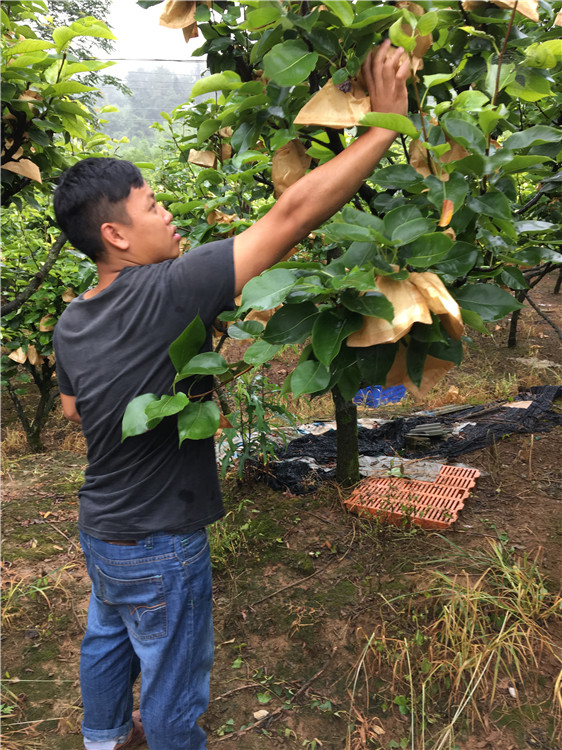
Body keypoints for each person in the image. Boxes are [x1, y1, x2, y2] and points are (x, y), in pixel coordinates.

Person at [52, 41, 409, 750]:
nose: (169, 215)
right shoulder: (171, 288)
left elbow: (74, 410)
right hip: (161, 536)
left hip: (103, 527)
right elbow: (291, 216)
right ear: (116, 233)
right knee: (175, 682)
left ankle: (99, 740)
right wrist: (386, 125)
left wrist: (179, 368)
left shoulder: (71, 317)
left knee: (106, 639)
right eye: (153, 206)